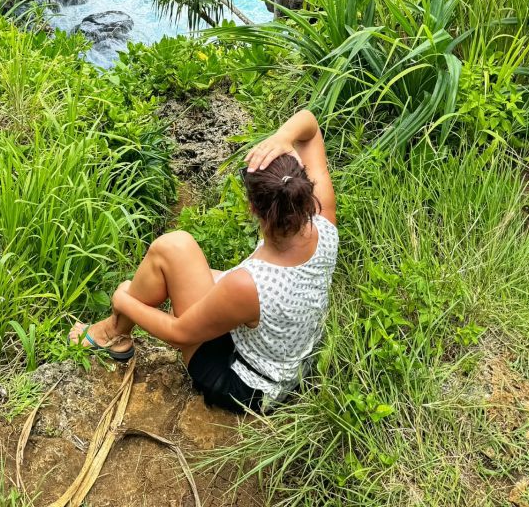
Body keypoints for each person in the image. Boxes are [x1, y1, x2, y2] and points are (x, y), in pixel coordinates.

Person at [68, 109, 338, 413]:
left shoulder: (248, 284)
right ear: (303, 193)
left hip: (245, 385)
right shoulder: (323, 222)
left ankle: (112, 330)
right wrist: (282, 137)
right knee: (177, 254)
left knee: (170, 248)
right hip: (289, 358)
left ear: (252, 208)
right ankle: (115, 330)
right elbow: (310, 125)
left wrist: (124, 299)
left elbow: (179, 333)